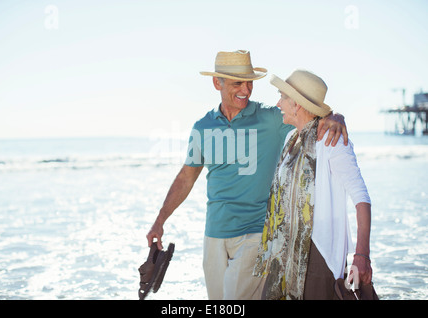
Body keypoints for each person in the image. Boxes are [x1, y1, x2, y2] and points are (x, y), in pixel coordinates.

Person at [146, 50, 348, 300]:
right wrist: (159, 221)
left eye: (249, 82)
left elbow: (309, 114)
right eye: (237, 83)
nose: (246, 89)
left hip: (255, 234)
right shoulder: (202, 127)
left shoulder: (271, 119)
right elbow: (187, 177)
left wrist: (335, 116)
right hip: (214, 234)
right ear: (216, 83)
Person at [253, 70, 372, 300]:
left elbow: (361, 197)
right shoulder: (291, 140)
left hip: (318, 253)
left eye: (282, 97)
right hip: (284, 251)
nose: (278, 102)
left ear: (296, 104)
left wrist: (362, 255)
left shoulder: (332, 141)